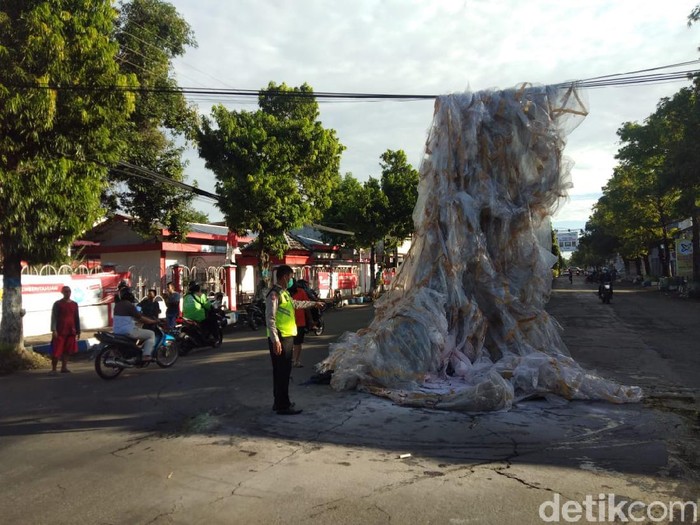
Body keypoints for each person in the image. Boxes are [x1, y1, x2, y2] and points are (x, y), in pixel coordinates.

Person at [265, 265, 323, 415]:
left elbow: (296, 304)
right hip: (281, 338)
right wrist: (275, 340)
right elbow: (270, 318)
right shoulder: (274, 294)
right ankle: (283, 406)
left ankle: (279, 402)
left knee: (282, 372)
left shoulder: (284, 293)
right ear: (285, 277)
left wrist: (313, 303)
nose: (292, 280)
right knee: (282, 372)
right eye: (290, 277)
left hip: (287, 337)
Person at [113, 287, 158, 362]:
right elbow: (140, 318)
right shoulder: (129, 305)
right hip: (128, 331)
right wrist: (152, 321)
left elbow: (128, 317)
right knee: (151, 334)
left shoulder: (117, 305)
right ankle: (146, 355)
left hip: (117, 331)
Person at [50, 286, 80, 374]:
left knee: (67, 350)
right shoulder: (58, 304)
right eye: (66, 291)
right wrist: (54, 330)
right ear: (62, 293)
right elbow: (54, 317)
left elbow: (76, 318)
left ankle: (64, 367)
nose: (68, 293)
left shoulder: (74, 304)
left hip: (71, 330)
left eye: (69, 291)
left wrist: (78, 331)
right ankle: (54, 369)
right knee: (56, 350)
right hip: (60, 330)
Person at [289, 279, 312, 368]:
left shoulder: (301, 292)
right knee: (290, 344)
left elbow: (306, 305)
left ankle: (295, 360)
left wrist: (310, 319)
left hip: (299, 322)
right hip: (287, 324)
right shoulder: (284, 293)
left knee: (297, 343)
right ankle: (291, 360)